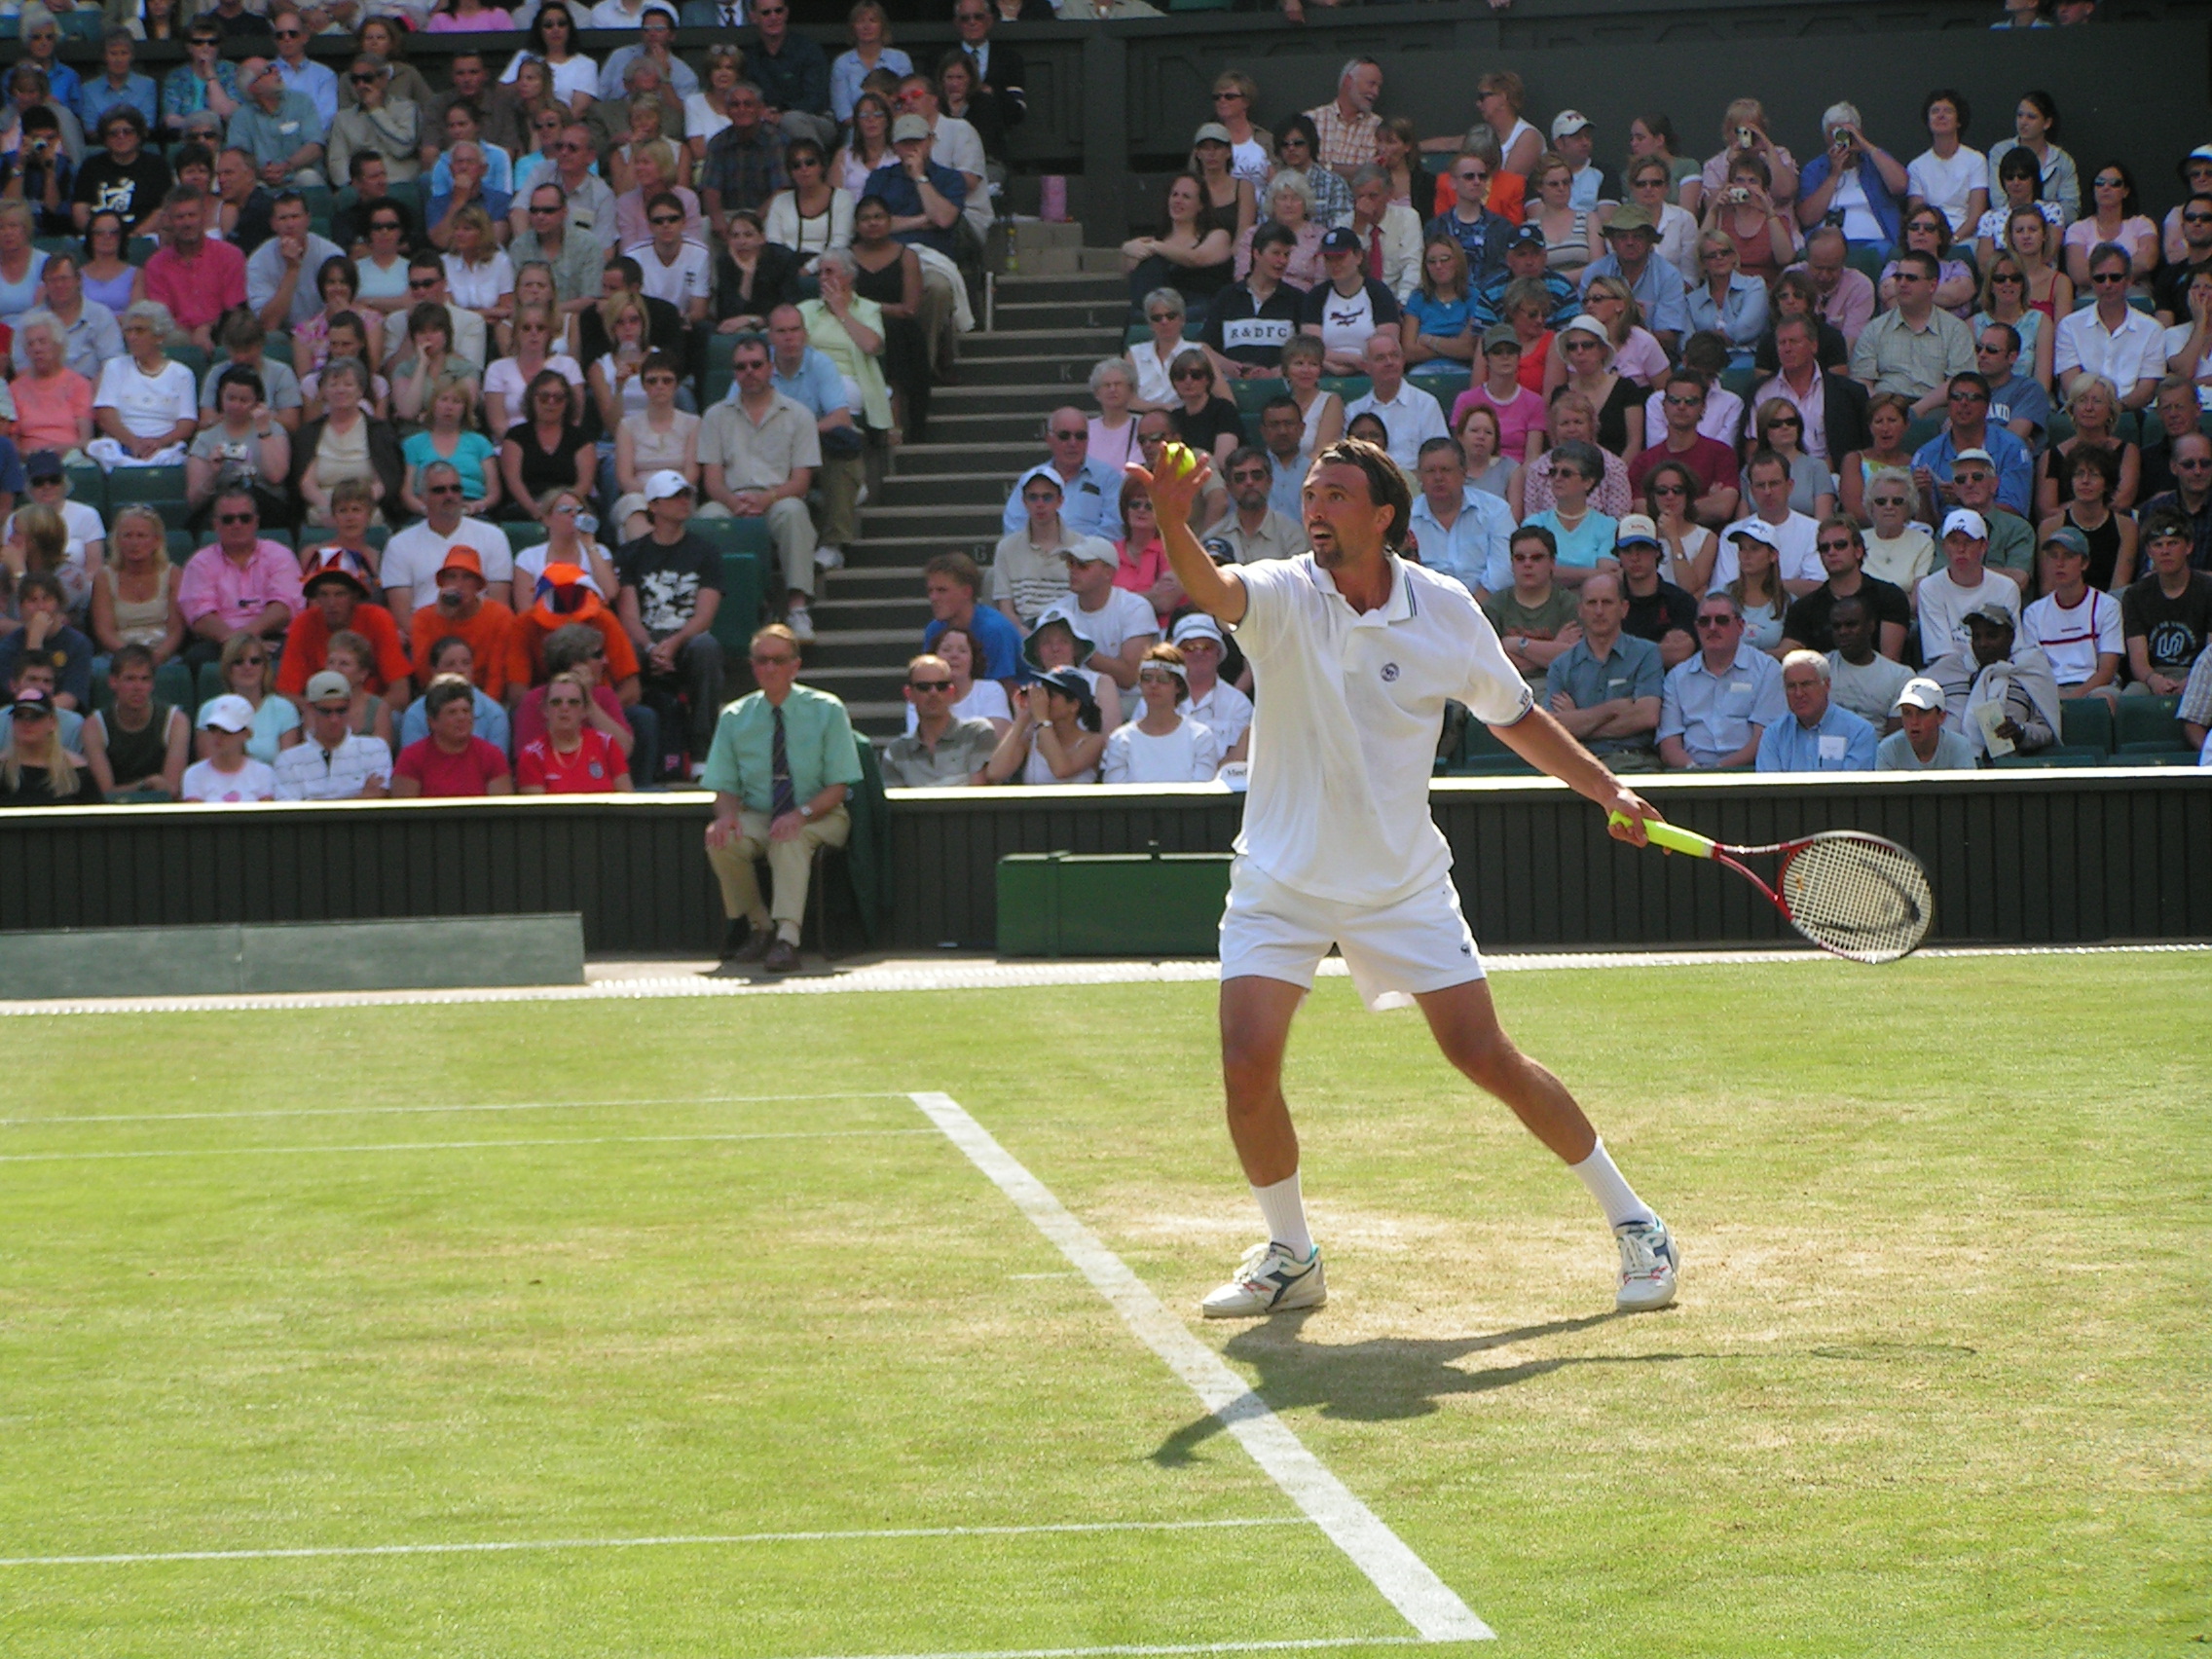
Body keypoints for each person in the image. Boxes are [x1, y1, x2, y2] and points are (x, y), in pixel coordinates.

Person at [1131, 430, 1678, 1315]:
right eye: (1310, 493)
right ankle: (1292, 1254)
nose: (1316, 507)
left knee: (1483, 1055)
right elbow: (1214, 588)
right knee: (1245, 1066)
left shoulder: (1447, 609)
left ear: (1384, 516)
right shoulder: (1279, 592)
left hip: (1400, 881)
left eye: (1337, 495)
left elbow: (1518, 716)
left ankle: (1637, 1223)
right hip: (1281, 877)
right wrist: (1169, 522)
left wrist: (1607, 786)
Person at [701, 621, 858, 970]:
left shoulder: (827, 709)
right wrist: (725, 816)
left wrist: (800, 814)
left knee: (790, 836)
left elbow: (838, 788)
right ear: (752, 664)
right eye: (761, 660)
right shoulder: (734, 716)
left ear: (795, 666)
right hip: (760, 812)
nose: (769, 668)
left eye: (778, 660)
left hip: (822, 813)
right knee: (721, 838)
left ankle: (788, 939)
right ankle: (760, 927)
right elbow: (724, 787)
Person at [697, 334, 821, 641]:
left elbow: (801, 482)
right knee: (707, 519)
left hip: (778, 497)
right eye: (741, 367)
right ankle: (716, 612)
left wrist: (767, 498)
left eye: (756, 364)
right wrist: (733, 501)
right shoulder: (714, 416)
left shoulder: (799, 415)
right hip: (730, 499)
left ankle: (797, 608)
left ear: (770, 368)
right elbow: (711, 481)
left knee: (794, 512)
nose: (748, 371)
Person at [613, 471, 723, 766]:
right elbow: (629, 615)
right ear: (654, 505)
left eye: (686, 495)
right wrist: (651, 648)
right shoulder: (631, 554)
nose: (684, 501)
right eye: (675, 496)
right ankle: (631, 756)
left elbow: (705, 614)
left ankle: (703, 753)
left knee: (706, 647)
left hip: (686, 639)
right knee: (625, 651)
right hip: (646, 639)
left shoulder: (705, 552)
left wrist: (674, 643)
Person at [1541, 569, 1662, 769]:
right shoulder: (1561, 665)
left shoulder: (1646, 653)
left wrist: (1577, 721)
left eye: (1607, 602)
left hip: (1634, 763)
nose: (1598, 611)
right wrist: (1611, 710)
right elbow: (1552, 730)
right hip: (1580, 767)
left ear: (1624, 608)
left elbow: (1646, 716)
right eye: (1591, 603)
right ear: (1580, 609)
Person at [175, 490, 302, 672]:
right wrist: (237, 642)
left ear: (256, 522)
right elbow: (200, 615)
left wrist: (244, 639)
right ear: (215, 525)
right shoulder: (200, 563)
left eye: (245, 518)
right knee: (196, 659)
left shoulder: (280, 555)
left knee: (294, 653)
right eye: (228, 519)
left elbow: (284, 608)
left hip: (272, 637)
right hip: (219, 640)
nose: (237, 524)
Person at [1657, 592, 1786, 768]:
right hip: (1689, 775)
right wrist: (1694, 772)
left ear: (1740, 626)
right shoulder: (1677, 677)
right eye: (1704, 621)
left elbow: (1765, 739)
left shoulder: (1767, 670)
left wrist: (1719, 771)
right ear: (1696, 627)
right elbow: (1669, 743)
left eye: (1722, 620)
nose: (1712, 627)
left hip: (1749, 772)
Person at [1851, 250, 1976, 415]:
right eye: (1898, 277)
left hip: (1935, 411)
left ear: (1932, 285)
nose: (1902, 283)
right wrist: (1883, 409)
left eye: (1911, 278)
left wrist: (1916, 411)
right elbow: (1862, 380)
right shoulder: (1875, 329)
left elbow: (1960, 382)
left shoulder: (1955, 330)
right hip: (1883, 407)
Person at [1929, 604, 2060, 758]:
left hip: (2007, 767)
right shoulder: (1948, 669)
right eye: (1976, 637)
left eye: (1991, 636)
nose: (1982, 644)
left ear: (2010, 636)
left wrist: (2020, 731)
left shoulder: (2029, 671)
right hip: (1951, 763)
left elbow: (2047, 732)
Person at [1779, 516, 1910, 659]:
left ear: (1858, 551)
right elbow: (1790, 656)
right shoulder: (1803, 608)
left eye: (1840, 545)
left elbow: (1890, 661)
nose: (1831, 552)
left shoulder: (1889, 597)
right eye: (1824, 548)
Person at [2053, 242, 2164, 410]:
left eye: (2115, 277)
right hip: (2082, 412)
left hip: (2131, 414)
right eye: (2100, 278)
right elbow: (2071, 386)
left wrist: (2113, 409)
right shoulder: (2069, 326)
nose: (2107, 284)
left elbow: (2146, 390)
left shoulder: (2152, 329)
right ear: (2091, 281)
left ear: (2128, 281)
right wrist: (2094, 408)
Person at [2021, 525, 2123, 701]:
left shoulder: (2108, 606)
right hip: (2050, 688)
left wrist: (2075, 696)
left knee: (2105, 700)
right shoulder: (2033, 613)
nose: (2059, 564)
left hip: (2096, 687)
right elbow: (2034, 670)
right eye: (2053, 557)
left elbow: (2107, 670)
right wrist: (2055, 695)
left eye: (2068, 556)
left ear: (2084, 563)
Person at [1752, 314, 1869, 469]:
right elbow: (1752, 445)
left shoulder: (1849, 393)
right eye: (1782, 343)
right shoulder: (1761, 391)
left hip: (1833, 477)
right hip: (1775, 479)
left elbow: (1863, 448)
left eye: (1794, 342)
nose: (1787, 349)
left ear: (1814, 345)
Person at [1627, 370, 1741, 526]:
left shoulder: (1722, 454)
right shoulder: (1643, 461)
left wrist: (1662, 505)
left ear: (1703, 407)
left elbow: (1723, 508)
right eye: (1674, 400)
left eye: (1691, 401)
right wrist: (1705, 500)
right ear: (1664, 406)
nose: (1681, 406)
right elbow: (1642, 513)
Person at [1099, 642, 1220, 784]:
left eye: (1163, 679)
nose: (1153, 685)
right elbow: (1117, 796)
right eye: (1147, 678)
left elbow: (1201, 794)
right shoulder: (1120, 739)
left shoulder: (1200, 737)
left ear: (1178, 686)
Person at [2121, 509, 2212, 696]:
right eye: (2158, 545)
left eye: (2173, 544)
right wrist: (2153, 679)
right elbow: (2138, 661)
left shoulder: (2208, 590)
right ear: (2148, 552)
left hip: (2200, 672)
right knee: (2131, 697)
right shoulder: (2135, 595)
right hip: (2154, 675)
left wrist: (2193, 680)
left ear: (2189, 547)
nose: (2165, 551)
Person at [1482, 526, 1581, 690]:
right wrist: (1551, 649)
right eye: (1520, 558)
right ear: (1512, 563)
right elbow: (1487, 662)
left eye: (1536, 558)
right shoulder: (1495, 606)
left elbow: (1574, 661)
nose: (1527, 564)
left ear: (1552, 562)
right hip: (1503, 687)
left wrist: (1517, 645)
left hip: (1555, 688)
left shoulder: (1570, 604)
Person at [82, 644, 186, 799]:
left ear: (152, 684)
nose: (138, 687)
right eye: (130, 679)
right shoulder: (94, 725)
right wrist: (145, 785)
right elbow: (105, 794)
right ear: (113, 682)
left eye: (145, 679)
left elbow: (170, 790)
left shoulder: (175, 720)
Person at [1918, 507, 2024, 662]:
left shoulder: (2007, 588)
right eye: (1954, 542)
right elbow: (1941, 653)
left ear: (1983, 547)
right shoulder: (1929, 587)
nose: (1961, 549)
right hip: (1951, 674)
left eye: (1968, 542)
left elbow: (2014, 648)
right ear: (1944, 547)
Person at [273, 668, 392, 800]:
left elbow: (377, 801)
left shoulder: (375, 749)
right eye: (326, 711)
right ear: (310, 709)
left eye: (341, 710)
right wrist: (360, 797)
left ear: (350, 706)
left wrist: (312, 802)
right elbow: (292, 814)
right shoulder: (288, 761)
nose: (334, 719)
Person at [1716, 451, 1823, 594]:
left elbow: (1816, 586)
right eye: (1760, 485)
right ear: (1751, 491)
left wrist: (1756, 586)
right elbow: (1725, 589)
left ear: (1790, 486)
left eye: (1774, 484)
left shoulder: (1813, 530)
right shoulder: (1732, 533)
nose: (1767, 492)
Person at [392, 674, 514, 796]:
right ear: (432, 722)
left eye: (466, 711)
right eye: (452, 712)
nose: (461, 718)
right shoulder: (411, 758)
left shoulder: (492, 756)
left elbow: (500, 811)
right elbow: (405, 811)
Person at [1754, 650, 1877, 771]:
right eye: (1791, 686)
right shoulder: (1773, 735)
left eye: (1806, 684)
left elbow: (1853, 788)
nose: (1799, 693)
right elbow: (1770, 789)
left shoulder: (1859, 732)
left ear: (1827, 685)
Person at [2040, 444, 2136, 594]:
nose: (2085, 481)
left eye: (2094, 475)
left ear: (2107, 483)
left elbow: (2120, 585)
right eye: (2079, 474)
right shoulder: (2050, 527)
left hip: (2108, 609)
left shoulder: (2126, 527)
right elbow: (2048, 586)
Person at [1610, 515, 1697, 668]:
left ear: (1657, 551)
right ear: (1618, 554)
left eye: (1642, 548)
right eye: (1627, 550)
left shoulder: (1680, 601)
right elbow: (1595, 652)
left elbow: (1679, 653)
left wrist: (1619, 653)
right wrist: (1659, 650)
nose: (1635, 557)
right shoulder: (1607, 601)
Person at [1822, 593, 1914, 728]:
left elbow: (1895, 741)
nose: (1843, 631)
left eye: (1851, 625)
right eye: (1836, 626)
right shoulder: (1818, 669)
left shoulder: (1900, 676)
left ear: (1871, 626)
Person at [1907, 90, 1990, 240]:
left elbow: (1976, 215)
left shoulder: (1976, 160)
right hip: (1928, 238)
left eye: (1948, 111)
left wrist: (1954, 239)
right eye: (1935, 111)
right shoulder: (1916, 166)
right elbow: (1916, 214)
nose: (1940, 116)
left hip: (1966, 238)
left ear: (1959, 121)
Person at [180, 693, 276, 802]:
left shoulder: (263, 773)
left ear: (246, 734)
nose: (218, 736)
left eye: (227, 731)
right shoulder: (194, 774)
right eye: (213, 729)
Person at [1876, 675, 1977, 768]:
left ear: (1941, 717)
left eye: (1923, 712)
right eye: (1907, 713)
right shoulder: (1887, 750)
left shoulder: (1960, 747)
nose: (1914, 721)